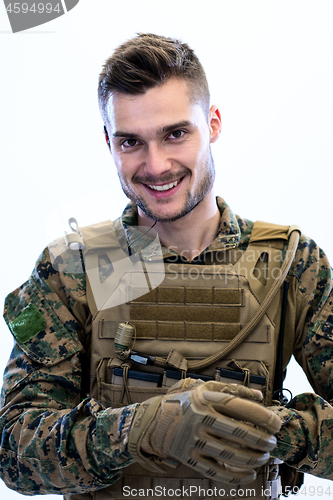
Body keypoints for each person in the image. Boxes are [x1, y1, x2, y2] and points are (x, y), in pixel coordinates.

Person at [1, 33, 332, 500]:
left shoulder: (292, 266)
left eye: (176, 133)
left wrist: (273, 431)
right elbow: (14, 450)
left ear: (213, 123)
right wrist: (139, 431)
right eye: (131, 142)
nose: (155, 165)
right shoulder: (72, 268)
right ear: (107, 142)